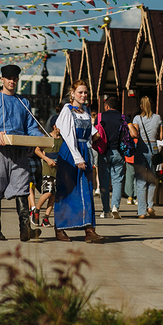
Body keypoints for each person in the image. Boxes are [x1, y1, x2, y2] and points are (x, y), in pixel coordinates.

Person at [0, 64, 43, 242]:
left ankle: (25, 230)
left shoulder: (23, 102)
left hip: (19, 151)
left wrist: (39, 139)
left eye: (15, 78)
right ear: (2, 79)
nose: (12, 81)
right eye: (8, 78)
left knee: (22, 186)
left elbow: (31, 126)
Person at [54, 80, 104, 243]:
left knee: (87, 190)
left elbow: (89, 132)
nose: (83, 95)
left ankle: (89, 229)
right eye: (80, 92)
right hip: (70, 153)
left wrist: (95, 135)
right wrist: (77, 158)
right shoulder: (67, 110)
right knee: (67, 190)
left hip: (85, 151)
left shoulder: (87, 111)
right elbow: (68, 135)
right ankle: (60, 228)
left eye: (86, 93)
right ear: (73, 94)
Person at [97, 96, 130, 220]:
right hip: (119, 153)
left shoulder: (100, 117)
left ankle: (106, 210)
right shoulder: (124, 118)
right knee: (117, 181)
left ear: (106, 106)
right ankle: (115, 206)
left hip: (103, 152)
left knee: (104, 182)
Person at [133, 96, 163, 219]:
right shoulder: (158, 118)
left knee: (140, 180)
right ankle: (150, 206)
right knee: (152, 178)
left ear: (141, 106)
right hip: (154, 148)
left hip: (141, 147)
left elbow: (135, 134)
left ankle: (141, 211)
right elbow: (160, 137)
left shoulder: (137, 118)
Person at [32, 114, 62, 228]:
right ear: (54, 126)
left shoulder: (63, 139)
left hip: (58, 171)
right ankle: (36, 210)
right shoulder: (47, 138)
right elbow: (37, 150)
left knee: (54, 195)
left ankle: (46, 218)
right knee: (47, 192)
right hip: (48, 170)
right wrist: (47, 159)